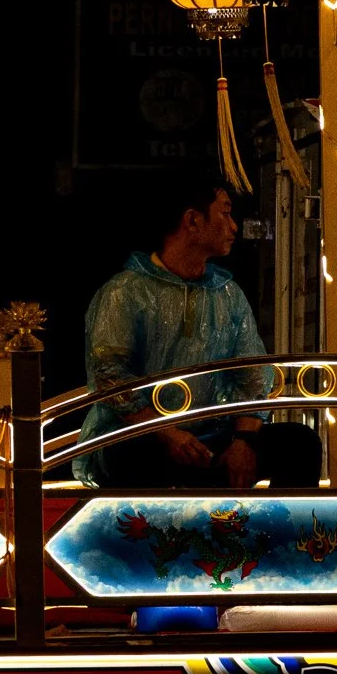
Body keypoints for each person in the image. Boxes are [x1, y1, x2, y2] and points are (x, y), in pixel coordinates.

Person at [78, 169, 323, 490]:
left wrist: (244, 440)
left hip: (217, 436)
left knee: (298, 442)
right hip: (145, 436)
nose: (234, 226)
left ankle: (282, 538)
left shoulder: (227, 293)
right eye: (225, 212)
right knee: (132, 457)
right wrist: (168, 434)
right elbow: (109, 376)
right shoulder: (125, 292)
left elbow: (251, 375)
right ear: (192, 221)